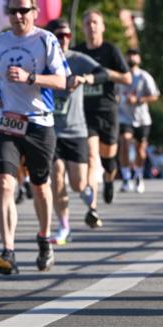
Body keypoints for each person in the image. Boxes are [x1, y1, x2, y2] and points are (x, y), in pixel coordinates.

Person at [0, 0, 69, 274]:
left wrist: (31, 77)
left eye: (23, 11)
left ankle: (44, 240)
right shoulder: (0, 41)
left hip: (39, 122)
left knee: (39, 186)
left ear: (35, 12)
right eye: (13, 12)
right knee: (5, 183)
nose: (18, 16)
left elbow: (61, 80)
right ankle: (8, 252)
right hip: (7, 121)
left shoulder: (46, 40)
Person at [45, 17, 108, 244]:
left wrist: (86, 78)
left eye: (68, 35)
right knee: (56, 176)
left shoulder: (77, 60)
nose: (64, 40)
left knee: (78, 183)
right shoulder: (43, 61)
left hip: (77, 130)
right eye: (60, 35)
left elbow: (104, 74)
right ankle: (64, 227)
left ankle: (90, 202)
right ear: (51, 38)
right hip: (51, 130)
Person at [75, 9, 131, 227]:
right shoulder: (78, 52)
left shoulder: (110, 50)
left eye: (95, 22)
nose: (92, 27)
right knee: (91, 157)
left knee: (108, 159)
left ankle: (110, 178)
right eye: (87, 23)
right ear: (83, 27)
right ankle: (92, 208)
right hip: (84, 112)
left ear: (102, 26)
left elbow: (127, 78)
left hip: (107, 111)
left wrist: (104, 74)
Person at [117, 48, 160, 193]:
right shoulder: (120, 76)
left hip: (142, 119)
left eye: (134, 55)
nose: (132, 58)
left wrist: (139, 99)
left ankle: (139, 176)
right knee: (124, 142)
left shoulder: (144, 76)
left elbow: (154, 96)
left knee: (140, 150)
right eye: (129, 55)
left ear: (139, 59)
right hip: (124, 117)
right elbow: (113, 94)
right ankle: (125, 177)